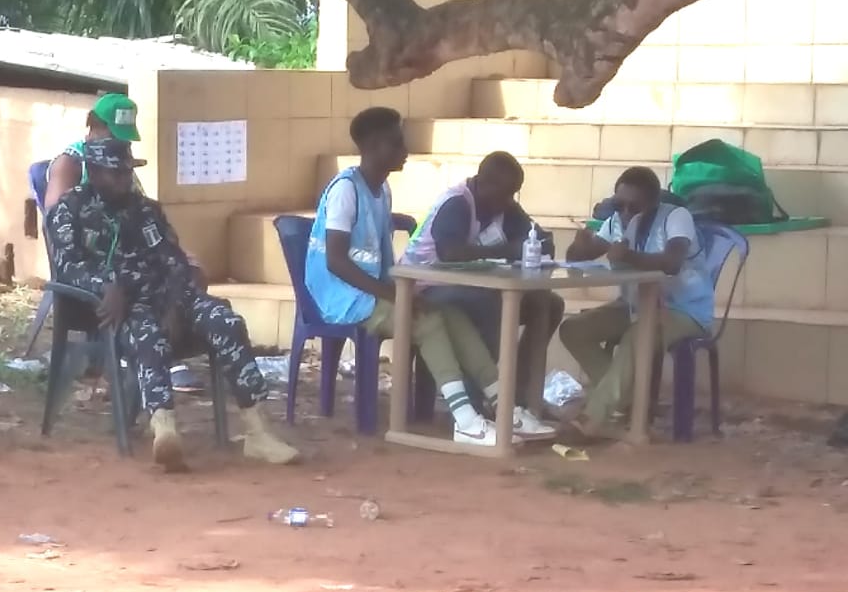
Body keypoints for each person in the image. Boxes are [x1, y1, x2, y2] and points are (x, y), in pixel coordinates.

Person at [45, 138, 299, 471]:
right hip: (119, 305)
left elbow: (173, 259)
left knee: (225, 321)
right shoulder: (70, 210)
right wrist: (108, 285)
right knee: (147, 332)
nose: (124, 180)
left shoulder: (147, 211)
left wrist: (176, 303)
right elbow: (68, 266)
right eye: (115, 173)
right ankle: (164, 429)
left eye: (126, 172)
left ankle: (258, 432)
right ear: (93, 172)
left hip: (168, 295)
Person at [305, 108, 548, 447]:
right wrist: (393, 295)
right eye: (397, 143)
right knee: (427, 320)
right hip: (343, 297)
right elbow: (335, 260)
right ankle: (465, 420)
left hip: (376, 291)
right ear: (374, 146)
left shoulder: (381, 189)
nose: (405, 151)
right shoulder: (346, 190)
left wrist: (394, 292)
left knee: (453, 316)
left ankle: (503, 406)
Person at [43, 92, 203, 393]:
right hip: (94, 273)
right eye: (114, 135)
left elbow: (140, 220)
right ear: (94, 129)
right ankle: (143, 360)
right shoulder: (71, 164)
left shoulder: (123, 163)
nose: (123, 146)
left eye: (126, 139)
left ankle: (164, 350)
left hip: (131, 262)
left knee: (186, 269)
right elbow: (55, 229)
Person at [399, 151, 563, 429]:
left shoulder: (503, 206)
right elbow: (450, 253)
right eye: (505, 192)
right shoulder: (457, 203)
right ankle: (479, 400)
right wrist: (506, 249)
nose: (509, 200)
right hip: (426, 286)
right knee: (489, 302)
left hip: (470, 285)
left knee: (547, 303)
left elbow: (539, 239)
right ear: (483, 182)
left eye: (514, 193)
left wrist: (536, 242)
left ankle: (515, 393)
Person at [560, 166, 713, 437]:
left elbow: (672, 263)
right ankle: (630, 401)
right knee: (574, 329)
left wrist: (628, 256)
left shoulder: (676, 217)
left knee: (637, 334)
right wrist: (579, 246)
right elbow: (579, 257)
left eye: (635, 206)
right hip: (634, 306)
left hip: (683, 311)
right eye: (620, 204)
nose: (626, 212)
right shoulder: (616, 220)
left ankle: (592, 419)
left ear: (654, 202)